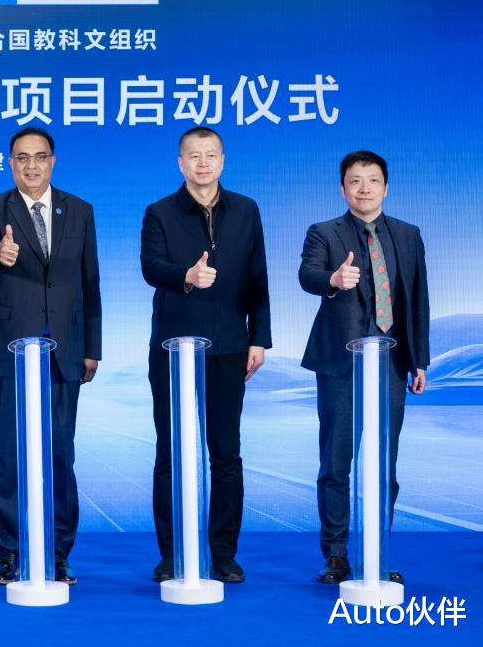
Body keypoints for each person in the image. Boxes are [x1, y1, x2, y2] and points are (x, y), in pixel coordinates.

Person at [0, 127, 101, 585]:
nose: (31, 165)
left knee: (60, 454)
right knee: (8, 454)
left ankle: (58, 553)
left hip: (64, 351)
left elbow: (90, 281)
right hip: (9, 349)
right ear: (11, 163)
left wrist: (91, 348)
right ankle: (7, 553)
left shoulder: (79, 210)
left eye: (39, 157)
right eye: (22, 158)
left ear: (52, 161)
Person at [140, 126, 271, 584]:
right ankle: (171, 553)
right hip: (172, 349)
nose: (202, 163)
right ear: (180, 163)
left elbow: (258, 277)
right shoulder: (159, 212)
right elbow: (150, 267)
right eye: (193, 156)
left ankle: (223, 554)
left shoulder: (246, 210)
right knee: (170, 451)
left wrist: (259, 338)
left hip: (230, 346)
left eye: (210, 155)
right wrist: (187, 276)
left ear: (222, 160)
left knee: (226, 453)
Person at [299, 150, 428, 585]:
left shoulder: (408, 235)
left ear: (385, 187)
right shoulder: (324, 232)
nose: (364, 188)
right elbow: (307, 274)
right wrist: (333, 280)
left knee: (384, 463)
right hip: (340, 361)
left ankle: (377, 552)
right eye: (355, 181)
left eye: (372, 180)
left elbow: (418, 299)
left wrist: (419, 360)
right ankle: (336, 555)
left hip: (391, 361)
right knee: (336, 461)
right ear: (343, 189)